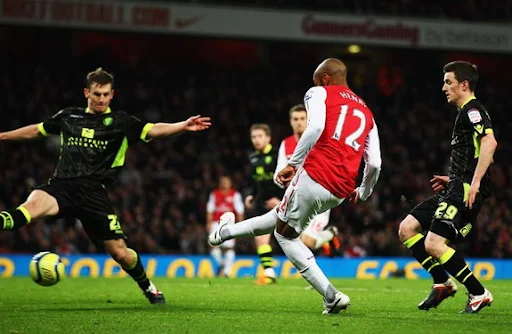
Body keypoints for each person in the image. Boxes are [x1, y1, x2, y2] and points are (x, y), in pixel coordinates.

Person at [0, 68, 211, 304]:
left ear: (112, 95)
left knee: (121, 253)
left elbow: (152, 129)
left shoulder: (120, 122)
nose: (101, 99)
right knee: (27, 209)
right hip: (62, 186)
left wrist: (182, 125)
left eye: (106, 94)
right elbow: (36, 131)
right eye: (97, 94)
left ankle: (148, 287)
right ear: (86, 93)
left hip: (94, 193)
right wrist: (3, 136)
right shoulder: (69, 117)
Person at [209, 58, 382, 314]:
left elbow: (316, 126)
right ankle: (224, 233)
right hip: (342, 189)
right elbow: (375, 162)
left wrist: (293, 163)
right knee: (278, 217)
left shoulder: (319, 92)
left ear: (324, 79)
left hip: (315, 174)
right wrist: (364, 191)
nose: (312, 85)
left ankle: (331, 295)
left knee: (284, 235)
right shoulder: (367, 112)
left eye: (315, 80)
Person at [398, 61, 497, 313]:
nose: (444, 87)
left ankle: (478, 292)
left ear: (464, 85)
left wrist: (472, 183)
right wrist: (452, 178)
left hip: (464, 190)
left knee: (434, 244)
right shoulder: (463, 112)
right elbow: (477, 152)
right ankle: (442, 282)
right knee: (407, 229)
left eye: (448, 82)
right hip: (455, 186)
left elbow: (490, 143)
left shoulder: (472, 110)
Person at [274, 104, 340, 256]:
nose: (299, 122)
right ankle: (329, 234)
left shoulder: (319, 141)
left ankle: (331, 233)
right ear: (291, 122)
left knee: (307, 242)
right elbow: (279, 170)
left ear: (308, 120)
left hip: (318, 198)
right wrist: (279, 179)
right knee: (297, 239)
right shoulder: (286, 144)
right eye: (296, 119)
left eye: (302, 119)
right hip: (297, 199)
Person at [245, 124, 283, 285]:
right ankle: (269, 273)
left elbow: (289, 178)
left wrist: (281, 199)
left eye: (260, 136)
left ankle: (323, 240)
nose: (257, 140)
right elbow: (256, 181)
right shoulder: (253, 158)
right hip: (262, 202)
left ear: (268, 138)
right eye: (254, 137)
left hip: (281, 202)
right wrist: (251, 195)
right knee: (260, 237)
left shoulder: (278, 155)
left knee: (301, 238)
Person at [206, 175, 244, 277]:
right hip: (215, 223)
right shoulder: (214, 194)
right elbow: (210, 209)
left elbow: (240, 211)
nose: (224, 183)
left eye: (226, 182)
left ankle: (227, 271)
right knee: (213, 246)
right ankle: (222, 264)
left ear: (230, 183)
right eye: (222, 182)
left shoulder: (235, 195)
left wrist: (240, 225)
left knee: (229, 248)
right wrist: (208, 223)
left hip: (229, 223)